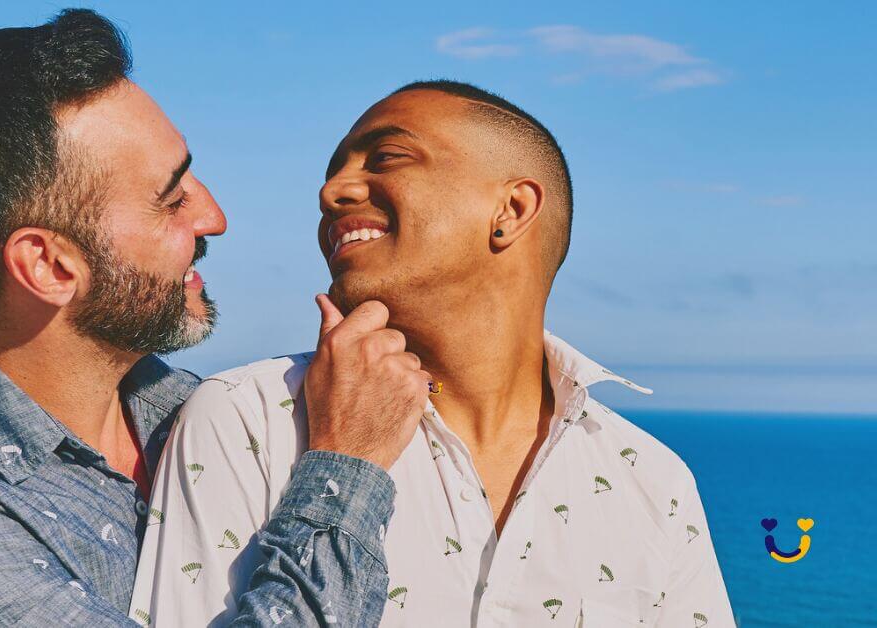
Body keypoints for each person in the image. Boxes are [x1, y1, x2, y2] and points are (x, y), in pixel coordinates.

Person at [0, 10, 429, 625]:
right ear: (49, 266)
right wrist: (347, 465)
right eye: (172, 200)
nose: (214, 218)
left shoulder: (208, 410)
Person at [132, 81, 735, 626]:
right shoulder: (247, 419)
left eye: (386, 157)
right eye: (335, 171)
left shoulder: (652, 483)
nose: (331, 191)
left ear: (511, 211)